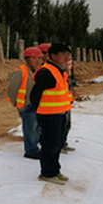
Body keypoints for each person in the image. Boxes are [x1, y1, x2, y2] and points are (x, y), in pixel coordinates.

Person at [30, 43, 74, 185]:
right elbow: (35, 95)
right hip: (49, 115)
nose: (67, 57)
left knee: (58, 144)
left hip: (59, 114)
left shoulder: (59, 70)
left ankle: (55, 170)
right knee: (50, 145)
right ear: (53, 56)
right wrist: (39, 109)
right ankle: (47, 173)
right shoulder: (46, 72)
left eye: (68, 54)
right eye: (63, 54)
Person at [7, 47, 43, 159]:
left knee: (37, 128)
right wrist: (17, 104)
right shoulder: (20, 72)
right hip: (26, 106)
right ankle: (31, 151)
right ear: (27, 59)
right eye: (34, 58)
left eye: (39, 58)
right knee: (30, 129)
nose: (38, 61)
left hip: (36, 105)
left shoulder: (37, 71)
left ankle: (34, 148)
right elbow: (12, 89)